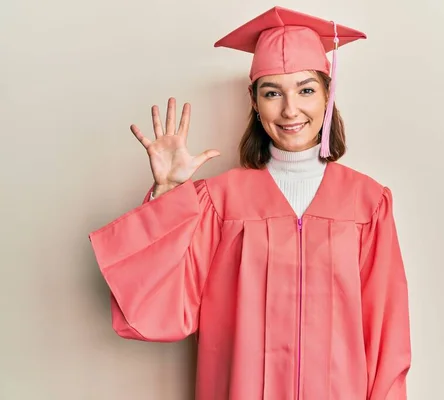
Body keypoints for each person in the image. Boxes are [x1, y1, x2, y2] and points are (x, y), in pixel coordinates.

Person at [89, 6, 411, 400]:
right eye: (272, 92)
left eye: (306, 90)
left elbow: (386, 337)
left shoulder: (368, 203)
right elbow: (166, 307)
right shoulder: (219, 203)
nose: (290, 109)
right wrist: (167, 194)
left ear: (328, 94)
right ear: (255, 102)